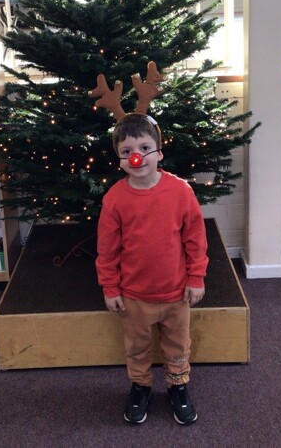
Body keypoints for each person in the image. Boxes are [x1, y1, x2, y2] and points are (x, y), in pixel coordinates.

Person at [95, 112, 209, 425]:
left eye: (145, 148)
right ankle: (141, 386)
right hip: (134, 296)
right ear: (119, 159)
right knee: (137, 347)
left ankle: (178, 385)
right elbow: (107, 250)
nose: (137, 157)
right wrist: (110, 287)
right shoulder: (115, 199)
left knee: (177, 345)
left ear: (159, 152)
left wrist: (196, 278)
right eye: (127, 151)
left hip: (176, 293)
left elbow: (196, 240)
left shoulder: (180, 191)